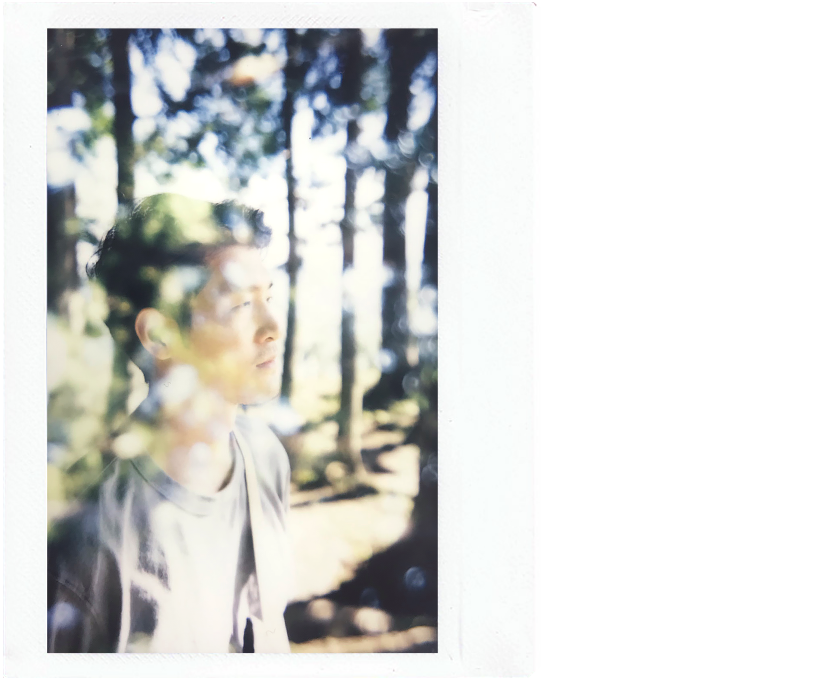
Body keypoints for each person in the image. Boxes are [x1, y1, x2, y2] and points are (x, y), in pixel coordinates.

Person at [47, 193, 294, 653]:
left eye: (269, 297)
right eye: (241, 304)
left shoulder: (266, 458)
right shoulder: (88, 541)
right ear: (160, 334)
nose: (273, 325)